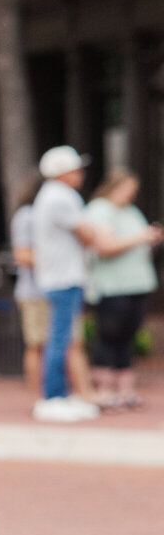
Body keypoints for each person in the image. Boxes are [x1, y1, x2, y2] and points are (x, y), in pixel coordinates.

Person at [30, 145, 101, 422]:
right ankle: (53, 396)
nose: (79, 173)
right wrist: (96, 232)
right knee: (60, 338)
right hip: (64, 277)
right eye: (75, 169)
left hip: (56, 276)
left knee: (62, 337)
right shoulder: (62, 197)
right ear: (63, 172)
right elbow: (87, 234)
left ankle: (59, 394)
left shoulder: (48, 195)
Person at [83, 168, 163, 409]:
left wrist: (151, 239)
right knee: (110, 335)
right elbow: (105, 247)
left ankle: (125, 389)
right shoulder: (98, 210)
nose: (132, 194)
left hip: (137, 283)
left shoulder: (130, 211)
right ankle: (104, 390)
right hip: (112, 285)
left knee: (127, 336)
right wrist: (140, 237)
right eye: (128, 189)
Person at [9, 181, 50, 399]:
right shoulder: (26, 215)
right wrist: (55, 263)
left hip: (49, 290)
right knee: (36, 344)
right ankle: (37, 395)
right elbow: (22, 255)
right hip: (33, 292)